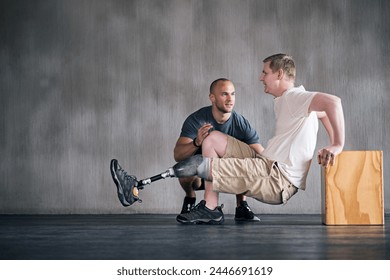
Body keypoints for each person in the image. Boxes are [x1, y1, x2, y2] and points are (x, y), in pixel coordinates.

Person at [110, 53, 345, 225]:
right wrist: (330, 139)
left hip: (278, 179)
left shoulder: (294, 97)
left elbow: (332, 103)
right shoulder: (288, 101)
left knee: (205, 165)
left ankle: (138, 184)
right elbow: (322, 112)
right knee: (211, 140)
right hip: (268, 164)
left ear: (280, 74)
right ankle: (211, 207)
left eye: (265, 72)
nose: (261, 77)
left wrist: (337, 144)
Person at [173, 78, 263, 222]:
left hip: (227, 173)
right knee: (184, 168)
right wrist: (196, 143)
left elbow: (260, 154)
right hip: (201, 175)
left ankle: (241, 205)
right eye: (224, 94)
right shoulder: (197, 119)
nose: (230, 99)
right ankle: (190, 199)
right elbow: (178, 155)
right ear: (212, 98)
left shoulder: (241, 123)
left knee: (247, 157)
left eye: (233, 94)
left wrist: (281, 169)